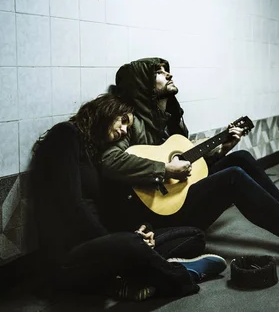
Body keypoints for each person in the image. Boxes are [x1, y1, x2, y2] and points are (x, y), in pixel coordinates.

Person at [100, 57, 279, 268]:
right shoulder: (129, 121)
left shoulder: (169, 118)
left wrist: (222, 149)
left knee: (240, 158)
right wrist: (163, 169)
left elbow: (189, 166)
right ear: (143, 84)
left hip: (176, 199)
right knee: (232, 176)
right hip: (158, 216)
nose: (169, 73)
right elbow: (110, 161)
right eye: (159, 71)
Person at [29, 93, 227, 301]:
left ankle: (134, 274)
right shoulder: (64, 135)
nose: (124, 130)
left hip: (100, 243)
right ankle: (183, 277)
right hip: (69, 255)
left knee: (193, 236)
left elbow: (105, 209)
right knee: (130, 244)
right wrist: (118, 240)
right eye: (123, 121)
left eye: (128, 126)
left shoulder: (93, 150)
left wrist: (142, 229)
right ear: (107, 110)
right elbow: (72, 206)